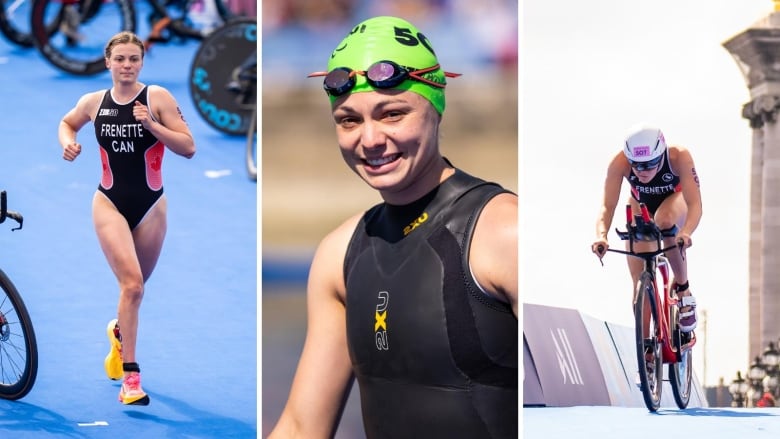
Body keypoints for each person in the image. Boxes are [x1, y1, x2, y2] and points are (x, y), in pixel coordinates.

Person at [268, 15, 518, 439]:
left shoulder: (503, 232)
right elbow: (300, 427)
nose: (369, 139)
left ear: (436, 108)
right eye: (349, 120)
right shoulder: (339, 252)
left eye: (393, 114)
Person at [58, 31, 196, 405]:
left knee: (135, 291)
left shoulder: (157, 98)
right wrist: (67, 143)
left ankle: (119, 332)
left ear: (141, 63)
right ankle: (131, 378)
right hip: (109, 203)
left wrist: (152, 125)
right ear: (108, 62)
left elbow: (188, 148)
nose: (126, 66)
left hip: (152, 207)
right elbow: (67, 123)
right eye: (119, 59)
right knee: (132, 287)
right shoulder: (93, 102)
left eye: (133, 59)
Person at [592, 126, 702, 332]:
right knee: (639, 281)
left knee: (665, 219)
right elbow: (607, 206)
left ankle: (683, 290)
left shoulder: (679, 157)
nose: (642, 172)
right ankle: (647, 351)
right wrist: (601, 236)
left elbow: (695, 204)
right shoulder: (619, 162)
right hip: (641, 205)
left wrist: (686, 231)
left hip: (675, 202)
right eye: (636, 165)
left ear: (661, 155)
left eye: (650, 165)